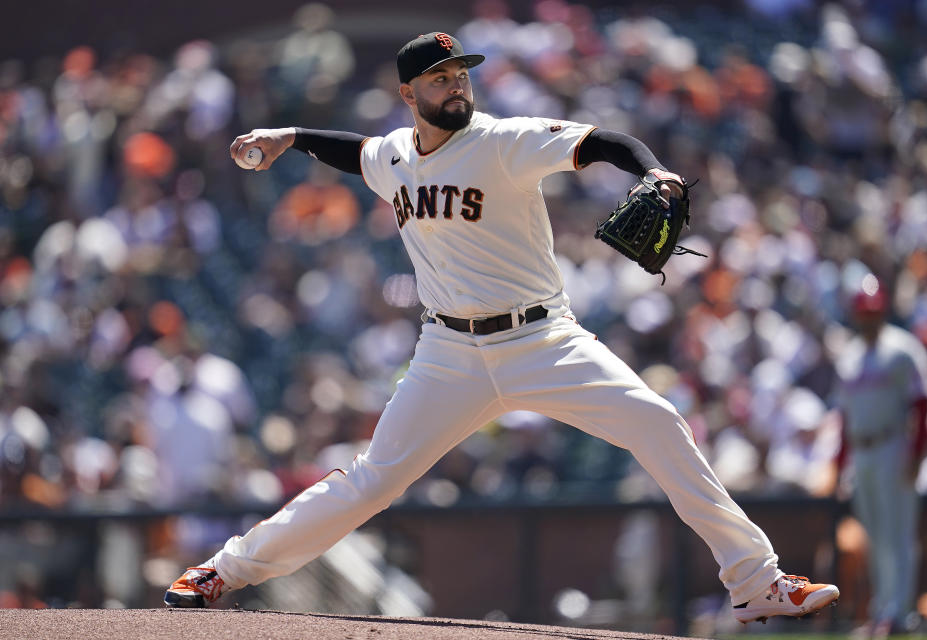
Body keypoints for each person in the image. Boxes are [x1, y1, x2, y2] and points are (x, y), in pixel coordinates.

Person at [164, 31, 839, 623]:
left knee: (658, 422)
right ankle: (225, 570)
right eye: (440, 78)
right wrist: (290, 137)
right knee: (371, 479)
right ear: (409, 93)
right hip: (447, 352)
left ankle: (756, 582)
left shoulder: (504, 140)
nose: (457, 86)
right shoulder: (397, 154)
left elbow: (601, 140)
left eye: (462, 74)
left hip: (542, 338)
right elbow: (359, 152)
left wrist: (653, 170)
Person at [833, 277, 927, 637]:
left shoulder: (903, 348)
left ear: (884, 310)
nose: (868, 318)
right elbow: (843, 417)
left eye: (873, 311)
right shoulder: (849, 355)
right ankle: (882, 610)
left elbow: (922, 402)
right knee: (874, 535)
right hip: (862, 451)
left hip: (894, 446)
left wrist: (916, 452)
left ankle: (900, 613)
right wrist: (839, 463)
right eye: (864, 312)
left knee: (898, 534)